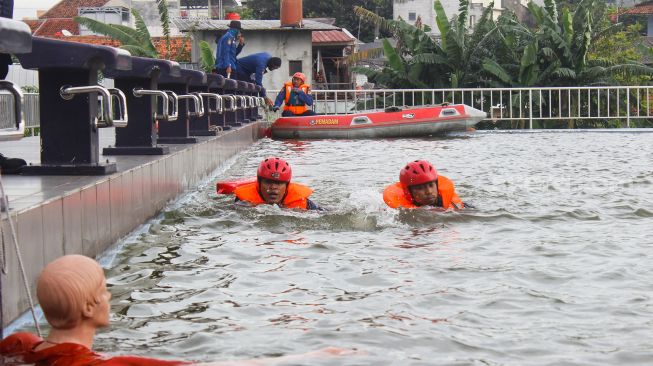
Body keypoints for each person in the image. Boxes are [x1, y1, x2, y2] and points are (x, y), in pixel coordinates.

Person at [0, 255, 354, 365]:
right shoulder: (106, 364)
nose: (109, 297)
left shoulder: (19, 343)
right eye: (104, 290)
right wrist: (312, 355)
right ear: (91, 305)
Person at [233, 157, 320, 210]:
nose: (273, 187)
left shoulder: (305, 203)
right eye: (268, 182)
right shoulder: (243, 201)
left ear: (287, 185)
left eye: (279, 183)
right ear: (259, 183)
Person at [383, 160, 465, 210]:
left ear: (436, 184)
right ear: (408, 192)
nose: (429, 192)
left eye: (431, 185)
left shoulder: (453, 203)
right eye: (420, 188)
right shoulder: (397, 210)